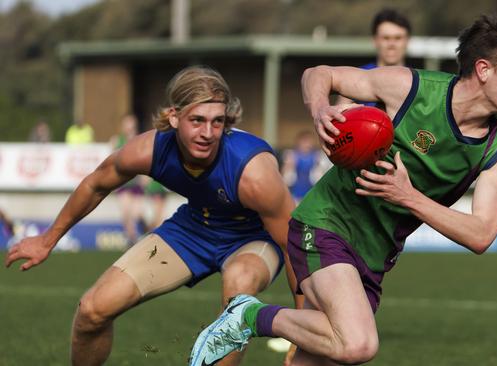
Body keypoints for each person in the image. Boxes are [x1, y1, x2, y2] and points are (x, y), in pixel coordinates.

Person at [189, 14, 497, 365]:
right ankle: (247, 316)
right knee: (358, 344)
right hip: (327, 223)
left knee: (320, 355)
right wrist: (320, 111)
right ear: (483, 69)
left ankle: (247, 319)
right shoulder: (410, 88)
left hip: (374, 256)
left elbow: (481, 235)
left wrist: (408, 197)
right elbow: (319, 74)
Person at [5, 66, 299, 366]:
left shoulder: (254, 173)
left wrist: (303, 334)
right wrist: (47, 239)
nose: (208, 133)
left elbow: (294, 243)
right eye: (197, 120)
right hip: (195, 228)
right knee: (93, 310)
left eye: (217, 122)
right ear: (174, 117)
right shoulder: (148, 150)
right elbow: (95, 184)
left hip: (253, 237)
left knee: (239, 281)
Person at [337, 8, 411, 107]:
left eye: (398, 38)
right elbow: (339, 116)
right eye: (386, 38)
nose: (391, 44)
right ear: (375, 40)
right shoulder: (356, 77)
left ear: (407, 40)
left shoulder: (417, 80)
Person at [110, 114, 145, 245]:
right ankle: (133, 240)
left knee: (138, 214)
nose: (129, 127)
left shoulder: (140, 139)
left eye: (131, 124)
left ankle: (147, 231)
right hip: (122, 183)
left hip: (136, 182)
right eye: (127, 124)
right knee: (125, 213)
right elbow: (112, 161)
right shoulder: (116, 140)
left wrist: (145, 177)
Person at [281, 130, 321, 203]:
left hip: (311, 195)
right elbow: (285, 178)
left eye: (309, 141)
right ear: (299, 142)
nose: (307, 144)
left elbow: (320, 176)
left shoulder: (317, 156)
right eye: (305, 141)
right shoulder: (292, 155)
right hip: (295, 195)